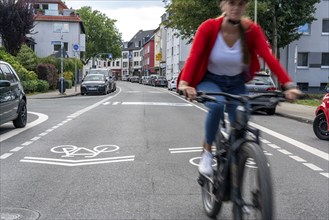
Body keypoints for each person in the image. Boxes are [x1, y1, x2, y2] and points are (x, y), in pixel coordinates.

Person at [178, 0, 301, 176]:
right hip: (210, 80)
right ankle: (207, 152)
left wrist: (288, 84)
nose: (236, 7)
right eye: (232, 3)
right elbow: (194, 56)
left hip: (236, 83)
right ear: (223, 5)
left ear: (245, 7)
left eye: (241, 3)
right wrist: (185, 83)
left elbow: (268, 57)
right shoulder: (209, 28)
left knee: (242, 119)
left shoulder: (251, 30)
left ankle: (235, 161)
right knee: (217, 105)